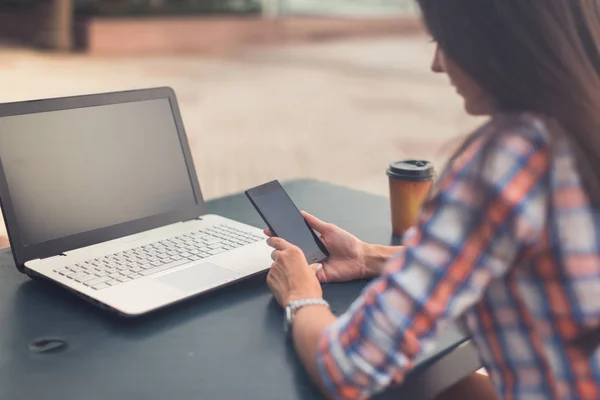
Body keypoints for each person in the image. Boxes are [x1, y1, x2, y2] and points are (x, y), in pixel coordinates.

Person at [264, 0, 600, 399]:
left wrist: (300, 295)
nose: (437, 65)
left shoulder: (507, 162)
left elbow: (349, 368)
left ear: (500, 40)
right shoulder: (580, 130)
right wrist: (367, 256)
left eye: (444, 40)